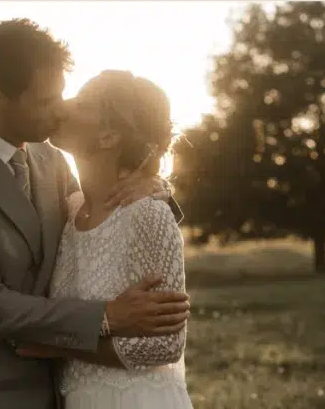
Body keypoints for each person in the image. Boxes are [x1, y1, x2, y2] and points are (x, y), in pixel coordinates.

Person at [0, 20, 189, 409]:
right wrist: (106, 316)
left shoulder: (50, 158)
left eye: (62, 94)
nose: (60, 109)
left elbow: (103, 212)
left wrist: (153, 182)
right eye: (45, 101)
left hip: (66, 391)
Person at [30, 71, 194, 408]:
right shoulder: (69, 209)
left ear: (108, 137)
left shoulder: (148, 214)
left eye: (81, 103)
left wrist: (58, 344)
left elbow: (165, 345)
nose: (63, 106)